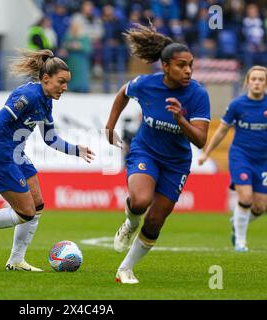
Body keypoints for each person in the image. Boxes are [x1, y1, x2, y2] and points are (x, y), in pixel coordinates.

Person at [0, 49, 95, 272]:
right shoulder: (28, 96)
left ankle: (16, 260)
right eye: (61, 82)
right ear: (46, 79)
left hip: (17, 156)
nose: (65, 88)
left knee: (37, 204)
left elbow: (50, 139)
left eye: (67, 83)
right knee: (26, 213)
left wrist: (75, 150)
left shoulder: (46, 100)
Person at [105, 24, 210, 284]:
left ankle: (125, 269)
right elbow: (123, 93)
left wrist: (180, 118)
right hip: (146, 152)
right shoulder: (146, 84)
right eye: (181, 65)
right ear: (165, 66)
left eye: (190, 65)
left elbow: (200, 140)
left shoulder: (197, 94)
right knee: (140, 202)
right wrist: (110, 126)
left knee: (154, 221)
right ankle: (129, 224)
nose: (187, 70)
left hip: (176, 164)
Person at [198, 65, 267, 252]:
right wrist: (206, 153)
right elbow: (221, 131)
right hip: (241, 156)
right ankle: (240, 242)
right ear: (247, 82)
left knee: (260, 207)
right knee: (245, 198)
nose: (257, 83)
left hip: (263, 161)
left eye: (261, 79)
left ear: (265, 83)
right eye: (254, 79)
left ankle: (236, 220)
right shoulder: (237, 105)